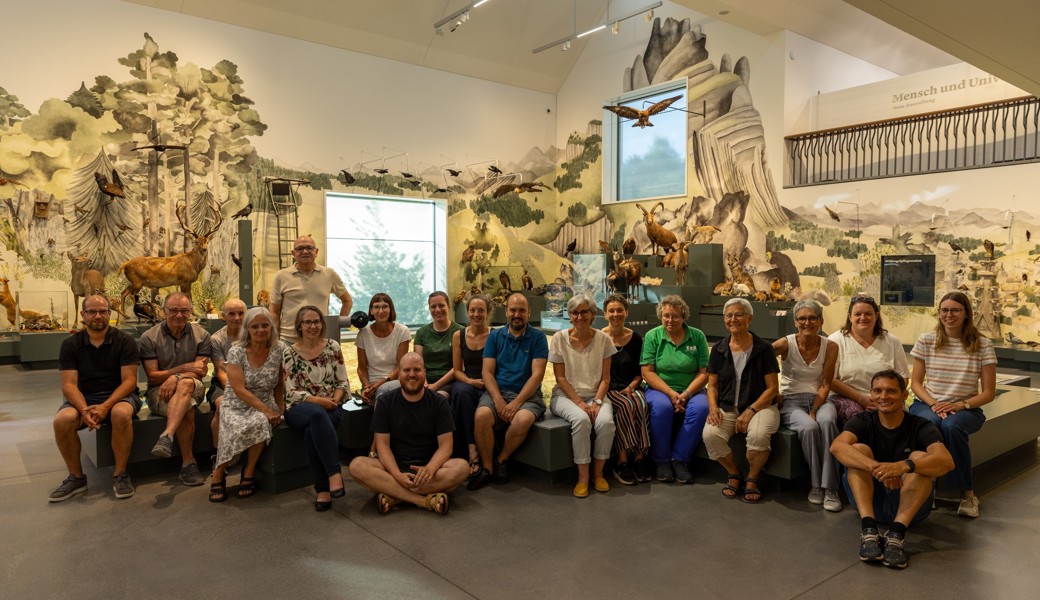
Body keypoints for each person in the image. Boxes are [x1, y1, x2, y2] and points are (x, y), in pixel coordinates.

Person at [830, 370, 954, 569]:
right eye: (877, 391)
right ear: (871, 394)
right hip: (871, 505)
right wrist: (877, 469)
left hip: (910, 510)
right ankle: (869, 531)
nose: (883, 396)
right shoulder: (863, 421)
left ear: (904, 395)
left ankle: (897, 534)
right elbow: (836, 447)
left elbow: (946, 461)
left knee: (920, 458)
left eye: (891, 391)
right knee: (858, 451)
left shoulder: (920, 425)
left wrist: (903, 466)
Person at [908, 290, 996, 518]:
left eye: (956, 310)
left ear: (966, 314)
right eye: (945, 310)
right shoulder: (926, 340)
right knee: (930, 423)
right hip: (927, 404)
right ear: (939, 313)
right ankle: (926, 487)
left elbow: (988, 393)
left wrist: (959, 405)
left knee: (951, 426)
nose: (949, 315)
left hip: (966, 408)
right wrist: (935, 404)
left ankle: (966, 493)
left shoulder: (982, 345)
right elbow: (916, 384)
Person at [348, 352, 469, 515]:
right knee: (357, 466)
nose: (412, 374)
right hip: (393, 467)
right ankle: (422, 500)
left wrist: (429, 469)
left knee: (461, 467)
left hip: (429, 469)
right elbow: (382, 446)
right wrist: (397, 475)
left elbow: (446, 446)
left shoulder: (439, 402)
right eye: (406, 370)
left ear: (424, 373)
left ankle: (395, 496)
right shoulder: (385, 402)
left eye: (417, 370)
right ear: (399, 375)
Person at [51, 295, 141, 501]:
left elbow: (129, 382)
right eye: (92, 312)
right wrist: (84, 409)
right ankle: (76, 477)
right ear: (83, 315)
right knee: (62, 420)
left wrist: (106, 406)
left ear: (109, 313)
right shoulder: (70, 344)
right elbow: (69, 385)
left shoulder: (124, 341)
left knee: (120, 413)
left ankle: (120, 474)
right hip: (85, 398)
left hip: (119, 396)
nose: (97, 316)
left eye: (102, 311)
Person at [703, 298, 780, 503]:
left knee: (759, 434)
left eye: (738, 314)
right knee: (710, 435)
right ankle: (734, 472)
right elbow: (712, 385)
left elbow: (773, 388)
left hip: (761, 406)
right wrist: (713, 408)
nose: (733, 319)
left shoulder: (764, 349)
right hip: (727, 406)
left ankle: (753, 477)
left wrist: (751, 410)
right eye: (728, 315)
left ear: (749, 318)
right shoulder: (719, 349)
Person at [468, 293, 548, 490]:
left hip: (528, 396)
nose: (517, 314)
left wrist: (516, 403)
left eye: (521, 310)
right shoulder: (495, 336)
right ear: (506, 312)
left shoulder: (538, 338)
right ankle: (487, 469)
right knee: (481, 415)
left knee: (522, 420)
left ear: (529, 312)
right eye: (513, 310)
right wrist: (498, 400)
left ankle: (501, 460)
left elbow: (536, 376)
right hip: (498, 392)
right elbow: (487, 373)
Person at [209, 307, 285, 502]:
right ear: (247, 329)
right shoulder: (236, 351)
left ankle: (248, 471)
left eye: (265, 325)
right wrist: (268, 410)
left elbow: (280, 384)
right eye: (255, 326)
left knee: (260, 421)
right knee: (241, 423)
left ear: (272, 328)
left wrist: (280, 409)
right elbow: (239, 389)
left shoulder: (280, 350)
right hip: (236, 402)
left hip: (265, 400)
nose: (261, 330)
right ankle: (219, 471)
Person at [773, 299, 841, 511]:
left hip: (820, 399)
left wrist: (814, 409)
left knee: (828, 421)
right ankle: (815, 485)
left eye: (812, 318)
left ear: (820, 321)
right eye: (802, 318)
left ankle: (831, 487)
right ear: (795, 322)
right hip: (791, 400)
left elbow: (826, 383)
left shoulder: (830, 346)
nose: (807, 322)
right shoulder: (786, 343)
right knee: (809, 427)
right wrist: (773, 390)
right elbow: (760, 358)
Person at [283, 305, 351, 511]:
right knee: (317, 414)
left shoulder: (333, 347)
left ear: (322, 324)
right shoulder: (290, 353)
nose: (312, 326)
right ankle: (334, 472)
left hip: (332, 405)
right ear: (299, 326)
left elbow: (343, 382)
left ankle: (322, 489)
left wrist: (335, 400)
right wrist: (321, 402)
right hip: (299, 407)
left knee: (313, 429)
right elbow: (291, 391)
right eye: (307, 322)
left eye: (316, 321)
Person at [139, 292, 211, 487]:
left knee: (187, 384)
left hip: (193, 385)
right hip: (159, 391)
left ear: (190, 312)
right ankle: (189, 463)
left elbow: (199, 373)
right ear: (164, 312)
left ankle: (167, 435)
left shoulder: (202, 336)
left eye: (184, 311)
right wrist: (182, 369)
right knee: (188, 406)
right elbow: (153, 376)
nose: (179, 315)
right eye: (173, 310)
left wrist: (176, 377)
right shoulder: (149, 337)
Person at [548, 293, 617, 497]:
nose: (579, 317)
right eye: (575, 313)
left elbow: (606, 379)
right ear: (569, 315)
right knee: (581, 420)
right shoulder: (559, 339)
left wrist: (596, 402)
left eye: (584, 312)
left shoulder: (604, 340)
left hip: (595, 396)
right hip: (565, 396)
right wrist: (579, 403)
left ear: (592, 314)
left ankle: (599, 473)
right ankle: (583, 477)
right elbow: (560, 378)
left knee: (605, 423)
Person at [639, 295, 710, 484]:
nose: (670, 320)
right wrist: (671, 394)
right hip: (660, 389)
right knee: (662, 408)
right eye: (666, 316)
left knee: (702, 408)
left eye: (675, 316)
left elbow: (705, 373)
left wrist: (686, 394)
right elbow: (647, 372)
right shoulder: (653, 336)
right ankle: (661, 461)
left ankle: (679, 459)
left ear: (683, 316)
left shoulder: (698, 336)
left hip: (692, 390)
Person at [829, 295, 909, 425]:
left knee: (900, 418)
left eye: (868, 314)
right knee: (858, 417)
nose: (863, 318)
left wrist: (883, 399)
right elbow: (830, 380)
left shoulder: (892, 341)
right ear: (849, 316)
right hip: (848, 398)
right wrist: (861, 398)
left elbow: (903, 377)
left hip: (885, 398)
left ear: (876, 316)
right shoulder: (835, 341)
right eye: (858, 314)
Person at [602, 295, 651, 485]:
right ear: (605, 314)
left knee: (641, 404)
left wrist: (631, 387)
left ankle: (639, 459)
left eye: (620, 310)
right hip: (609, 388)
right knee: (625, 406)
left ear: (626, 312)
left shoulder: (636, 338)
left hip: (632, 386)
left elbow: (641, 373)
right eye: (611, 310)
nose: (616, 314)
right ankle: (622, 461)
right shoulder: (599, 338)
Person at [270, 235, 353, 343]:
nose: (305, 251)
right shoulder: (281, 276)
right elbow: (274, 312)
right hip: (289, 341)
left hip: (320, 341)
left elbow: (347, 301)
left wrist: (338, 324)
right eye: (299, 248)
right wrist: (275, 341)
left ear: (316, 251)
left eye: (309, 248)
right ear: (293, 253)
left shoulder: (329, 274)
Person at [450, 294, 491, 473]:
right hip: (467, 380)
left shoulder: (494, 335)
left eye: (481, 310)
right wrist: (470, 381)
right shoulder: (458, 335)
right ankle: (471, 448)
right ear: (467, 312)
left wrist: (486, 382)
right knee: (461, 392)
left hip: (489, 382)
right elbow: (457, 370)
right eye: (472, 310)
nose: (476, 314)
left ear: (487, 313)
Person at [356, 293, 411, 404]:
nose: (381, 311)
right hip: (371, 385)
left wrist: (381, 383)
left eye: (385, 306)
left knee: (384, 393)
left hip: (395, 381)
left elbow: (400, 366)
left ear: (391, 309)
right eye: (376, 307)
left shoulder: (402, 331)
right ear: (371, 311)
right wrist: (367, 387)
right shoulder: (363, 333)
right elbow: (361, 369)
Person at [207, 298, 246, 446]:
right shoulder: (216, 340)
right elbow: (222, 373)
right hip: (225, 384)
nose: (237, 318)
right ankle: (218, 455)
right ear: (224, 316)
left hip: (251, 382)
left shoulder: (255, 335)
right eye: (232, 314)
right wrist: (240, 393)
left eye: (241, 313)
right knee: (223, 406)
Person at [413, 291, 463, 398]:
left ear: (449, 307)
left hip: (449, 381)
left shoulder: (460, 331)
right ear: (429, 309)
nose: (437, 310)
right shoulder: (422, 332)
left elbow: (458, 367)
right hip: (423, 380)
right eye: (433, 307)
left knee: (438, 398)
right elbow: (418, 363)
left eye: (441, 305)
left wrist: (435, 386)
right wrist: (424, 384)